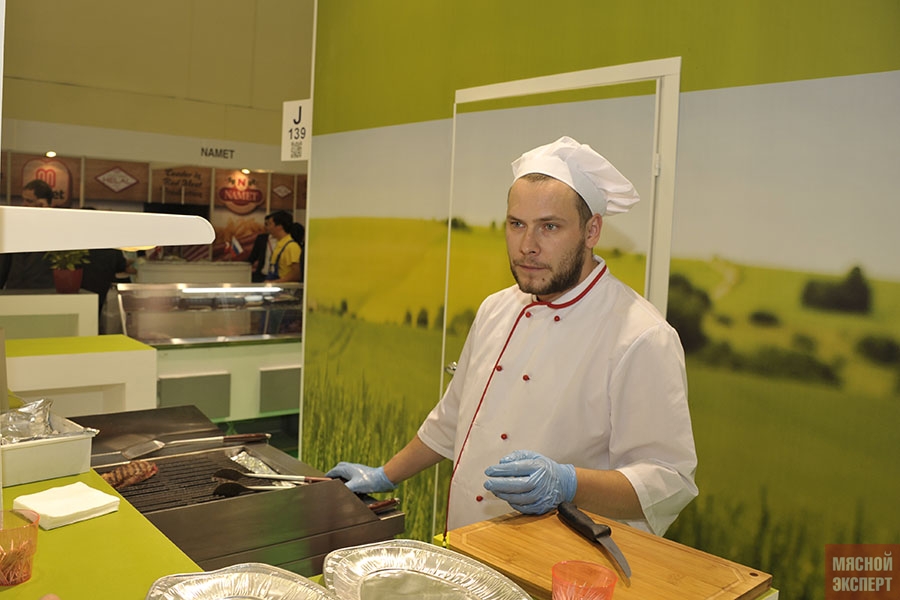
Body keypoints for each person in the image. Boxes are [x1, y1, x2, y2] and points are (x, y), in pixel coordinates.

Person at [327, 136, 698, 536]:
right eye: (516, 224)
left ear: (592, 230)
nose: (527, 246)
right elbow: (452, 419)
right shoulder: (496, 309)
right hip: (466, 544)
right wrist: (385, 474)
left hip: (558, 559)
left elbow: (669, 480)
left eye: (549, 227)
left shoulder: (641, 336)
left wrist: (569, 483)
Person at [264, 210, 302, 283]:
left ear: (279, 226)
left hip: (286, 288)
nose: (267, 227)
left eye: (270, 224)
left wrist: (276, 282)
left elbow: (297, 273)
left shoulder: (292, 246)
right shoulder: (279, 244)